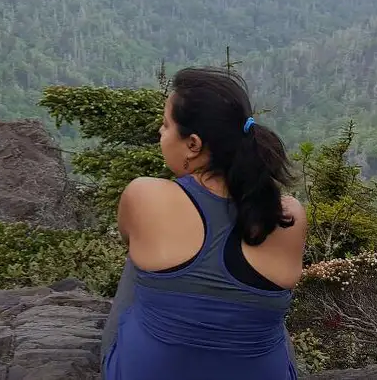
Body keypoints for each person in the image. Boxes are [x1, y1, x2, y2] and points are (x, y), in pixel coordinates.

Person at [102, 67, 307, 380]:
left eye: (166, 125)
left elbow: (129, 239)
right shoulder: (288, 214)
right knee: (264, 310)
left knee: (139, 260)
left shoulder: (144, 194)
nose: (160, 132)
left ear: (193, 144)